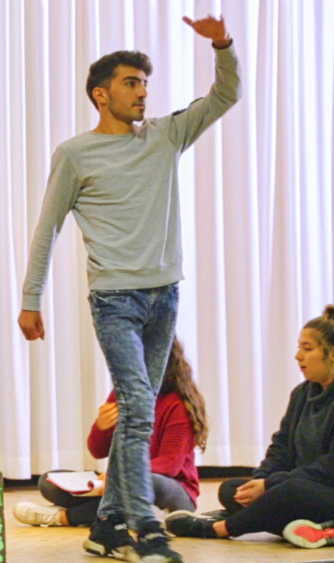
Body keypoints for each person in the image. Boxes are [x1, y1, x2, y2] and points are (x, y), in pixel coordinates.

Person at [17, 15, 240, 562]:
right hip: (115, 299)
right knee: (137, 406)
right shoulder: (75, 154)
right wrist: (30, 300)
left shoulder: (165, 135)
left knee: (137, 413)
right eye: (131, 82)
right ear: (101, 94)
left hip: (165, 295)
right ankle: (147, 528)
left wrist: (222, 44)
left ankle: (106, 527)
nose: (142, 92)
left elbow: (226, 95)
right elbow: (47, 229)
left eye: (145, 82)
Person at [166, 306, 334, 548]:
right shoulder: (301, 394)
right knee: (232, 490)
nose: (298, 356)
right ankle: (313, 528)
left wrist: (270, 486)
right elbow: (280, 446)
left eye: (307, 349)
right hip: (297, 488)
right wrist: (261, 480)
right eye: (299, 347)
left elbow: (328, 468)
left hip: (319, 489)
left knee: (289, 491)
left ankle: (219, 528)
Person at [15, 337, 206, 528]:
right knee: (48, 481)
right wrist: (102, 426)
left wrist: (120, 475)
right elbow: (97, 451)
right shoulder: (122, 393)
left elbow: (170, 464)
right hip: (121, 482)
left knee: (141, 482)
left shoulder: (177, 403)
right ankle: (144, 514)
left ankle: (64, 517)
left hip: (171, 489)